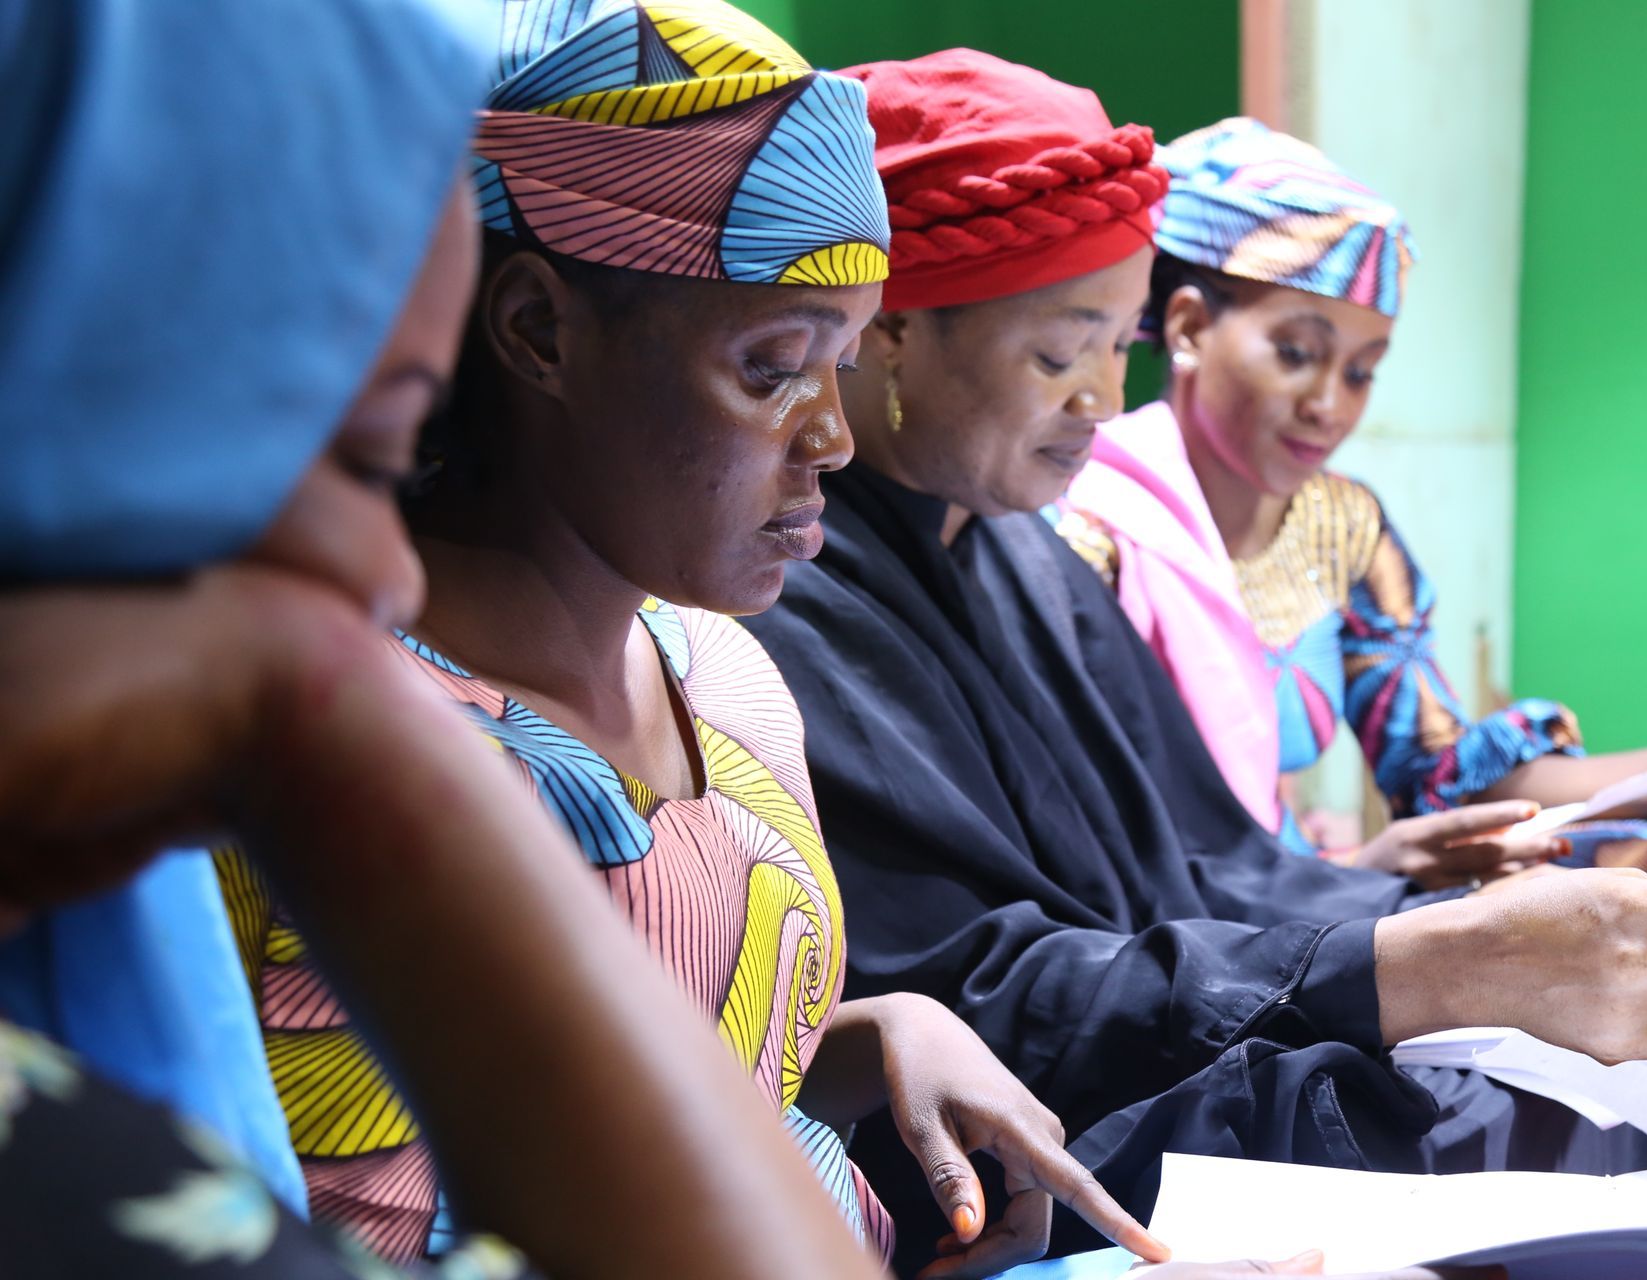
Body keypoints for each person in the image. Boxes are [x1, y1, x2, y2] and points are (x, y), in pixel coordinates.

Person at [739, 48, 1647, 1269]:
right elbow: (994, 997)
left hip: (1184, 1017)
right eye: (1062, 354)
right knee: (1519, 1113)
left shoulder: (1015, 544)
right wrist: (1427, 956)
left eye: (1117, 350)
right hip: (1044, 1128)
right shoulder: (801, 590)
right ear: (884, 337)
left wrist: (1458, 924)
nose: (1105, 401)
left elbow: (1218, 861)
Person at [217, 6, 1179, 1277]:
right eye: (774, 365)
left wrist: (862, 1034)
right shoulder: (332, 740)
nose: (833, 435)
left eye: (844, 360)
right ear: (538, 331)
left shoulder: (719, 673)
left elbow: (652, 1063)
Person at [0, 1, 906, 1276]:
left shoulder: (732, 678)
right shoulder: (62, 1144)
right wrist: (355, 723)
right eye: (352, 458)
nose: (385, 570)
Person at [1057, 116, 1647, 1155]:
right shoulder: (1083, 531)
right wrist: (1359, 873)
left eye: (1364, 369)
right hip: (1194, 932)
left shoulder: (1345, 528)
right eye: (1297, 352)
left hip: (1334, 885)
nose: (1329, 402)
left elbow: (1439, 770)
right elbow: (1111, 851)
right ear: (1189, 326)